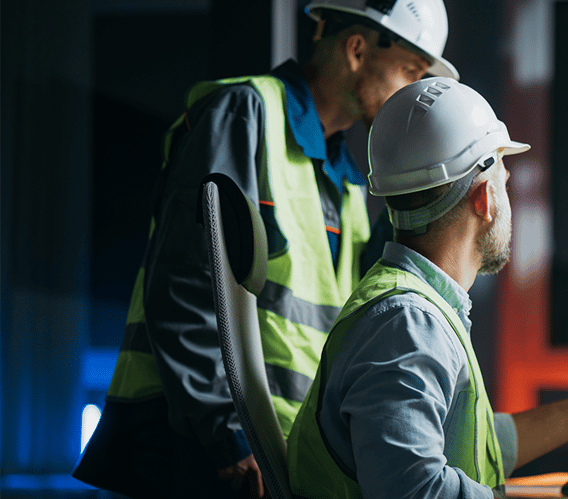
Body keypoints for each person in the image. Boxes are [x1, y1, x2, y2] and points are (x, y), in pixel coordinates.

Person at [72, 1, 457, 498]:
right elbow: (189, 280)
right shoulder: (243, 113)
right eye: (410, 70)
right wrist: (225, 434)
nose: (412, 91)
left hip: (273, 450)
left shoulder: (348, 183)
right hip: (201, 447)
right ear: (358, 49)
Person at [286, 77, 568, 499]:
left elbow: (468, 450)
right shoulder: (408, 324)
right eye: (504, 182)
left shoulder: (413, 309)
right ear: (484, 199)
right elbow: (414, 491)